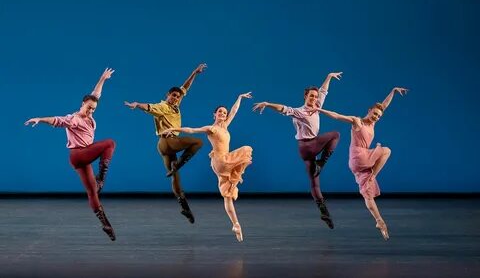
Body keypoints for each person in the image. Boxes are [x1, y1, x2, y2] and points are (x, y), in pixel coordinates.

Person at [24, 68, 117, 241]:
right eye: (88, 108)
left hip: (82, 158)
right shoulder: (74, 118)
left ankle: (105, 224)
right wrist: (40, 119)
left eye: (94, 109)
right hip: (79, 154)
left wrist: (103, 79)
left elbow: (95, 95)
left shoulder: (90, 113)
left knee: (92, 192)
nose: (91, 111)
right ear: (82, 104)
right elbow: (57, 120)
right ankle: (101, 178)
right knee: (110, 143)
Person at [314, 87, 408, 240]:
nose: (376, 117)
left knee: (367, 194)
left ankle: (379, 221)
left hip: (357, 162)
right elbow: (337, 116)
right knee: (386, 150)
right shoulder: (357, 121)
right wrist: (319, 109)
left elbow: (383, 106)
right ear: (369, 110)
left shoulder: (372, 124)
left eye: (379, 116)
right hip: (360, 156)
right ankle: (373, 175)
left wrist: (393, 91)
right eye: (375, 113)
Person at [252, 72, 342, 229]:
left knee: (315, 183)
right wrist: (267, 103)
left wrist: (329, 76)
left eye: (315, 97)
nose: (314, 99)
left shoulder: (318, 105)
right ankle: (321, 162)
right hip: (308, 145)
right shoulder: (300, 111)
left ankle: (324, 212)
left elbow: (323, 91)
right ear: (305, 97)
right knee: (335, 134)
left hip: (306, 150)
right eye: (311, 97)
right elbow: (284, 109)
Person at [162, 92, 253, 242]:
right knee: (246, 150)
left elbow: (234, 111)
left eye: (224, 112)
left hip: (222, 163)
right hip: (221, 160)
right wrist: (174, 130)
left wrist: (240, 97)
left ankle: (236, 224)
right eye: (220, 112)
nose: (223, 113)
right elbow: (193, 130)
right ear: (215, 115)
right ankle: (234, 180)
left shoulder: (225, 127)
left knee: (227, 196)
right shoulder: (212, 128)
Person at [124, 63, 207, 224]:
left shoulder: (176, 105)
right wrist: (137, 105)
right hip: (168, 141)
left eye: (177, 96)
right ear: (167, 95)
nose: (176, 98)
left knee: (175, 178)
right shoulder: (163, 106)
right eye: (173, 96)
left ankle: (184, 207)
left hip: (164, 148)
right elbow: (150, 107)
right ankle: (179, 164)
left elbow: (185, 87)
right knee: (197, 141)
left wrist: (195, 72)